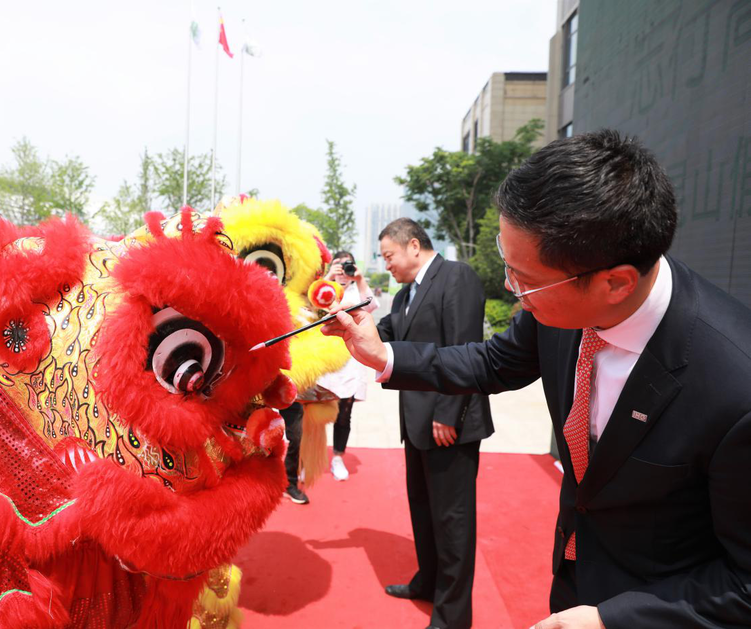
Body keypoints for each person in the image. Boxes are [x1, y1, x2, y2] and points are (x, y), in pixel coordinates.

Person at [323, 130, 751, 629]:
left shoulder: (734, 386)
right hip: (570, 582)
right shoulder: (560, 308)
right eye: (509, 267)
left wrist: (612, 619)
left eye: (524, 280)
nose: (512, 290)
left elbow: (743, 584)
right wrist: (382, 355)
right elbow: (492, 362)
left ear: (616, 283)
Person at [365, 218, 493, 629]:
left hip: (447, 423)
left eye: (389, 256)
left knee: (453, 521)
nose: (387, 265)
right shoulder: (405, 296)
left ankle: (453, 617)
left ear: (413, 246)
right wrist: (344, 326)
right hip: (416, 424)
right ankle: (428, 580)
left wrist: (446, 413)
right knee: (423, 511)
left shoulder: (457, 277)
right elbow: (383, 337)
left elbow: (465, 349)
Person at [317, 250, 379, 481]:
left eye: (347, 266)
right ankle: (309, 458)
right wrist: (328, 277)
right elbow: (311, 305)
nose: (343, 271)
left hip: (350, 361)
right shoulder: (325, 288)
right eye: (338, 265)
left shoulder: (357, 289)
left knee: (344, 414)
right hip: (324, 360)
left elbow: (372, 306)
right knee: (316, 412)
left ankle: (337, 458)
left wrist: (360, 279)